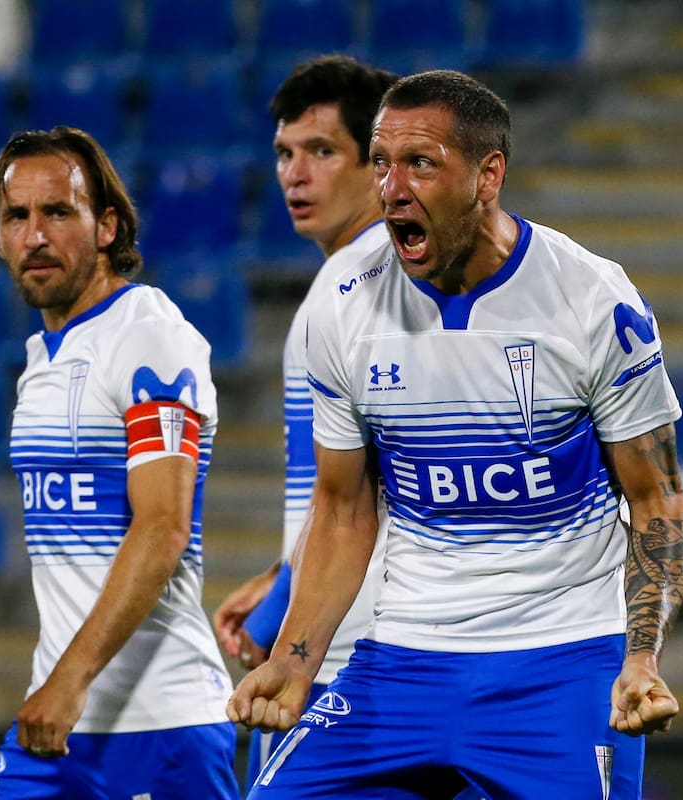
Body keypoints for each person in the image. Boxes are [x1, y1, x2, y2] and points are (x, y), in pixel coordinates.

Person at [226, 69, 683, 799]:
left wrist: (640, 657)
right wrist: (295, 658)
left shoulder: (593, 302)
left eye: (421, 163)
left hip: (561, 663)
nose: (392, 188)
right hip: (401, 659)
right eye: (381, 163)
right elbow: (345, 509)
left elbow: (657, 501)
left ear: (488, 175)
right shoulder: (343, 311)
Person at [0, 126, 238, 799]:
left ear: (106, 226)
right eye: (17, 216)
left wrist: (68, 680)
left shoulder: (149, 336)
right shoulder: (41, 360)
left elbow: (161, 527)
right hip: (59, 723)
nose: (35, 235)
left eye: (58, 212)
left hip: (159, 723)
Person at [207, 53, 405, 791]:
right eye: (285, 154)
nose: (296, 173)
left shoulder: (358, 288)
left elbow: (374, 494)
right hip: (347, 628)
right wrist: (285, 573)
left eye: (323, 152)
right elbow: (348, 487)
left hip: (347, 647)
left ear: (376, 164)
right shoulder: (352, 280)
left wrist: (291, 621)